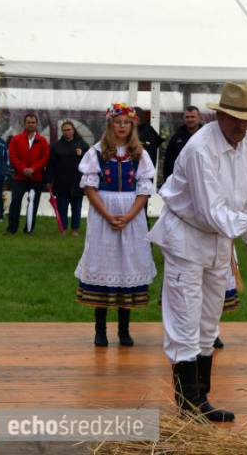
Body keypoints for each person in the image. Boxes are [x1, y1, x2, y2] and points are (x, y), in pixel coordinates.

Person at [147, 81, 247, 423]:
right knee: (185, 318)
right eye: (235, 118)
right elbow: (213, 211)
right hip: (187, 238)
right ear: (220, 114)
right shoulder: (199, 150)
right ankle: (186, 405)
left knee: (210, 319)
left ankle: (201, 399)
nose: (242, 125)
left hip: (219, 241)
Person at [74, 104, 157, 347]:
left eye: (126, 123)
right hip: (103, 215)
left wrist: (130, 215)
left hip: (132, 216)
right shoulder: (97, 152)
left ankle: (124, 330)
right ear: (110, 124)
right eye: (117, 122)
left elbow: (144, 189)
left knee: (126, 268)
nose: (122, 126)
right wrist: (108, 215)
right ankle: (100, 330)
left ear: (133, 126)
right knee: (104, 263)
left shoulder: (139, 154)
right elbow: (89, 187)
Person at [5, 113, 50, 235]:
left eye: (33, 122)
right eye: (28, 122)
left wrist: (33, 169)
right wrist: (23, 169)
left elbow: (45, 157)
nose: (31, 124)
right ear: (24, 124)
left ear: (36, 124)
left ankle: (29, 228)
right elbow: (12, 156)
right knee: (15, 203)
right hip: (19, 178)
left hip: (36, 178)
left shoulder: (42, 140)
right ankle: (12, 228)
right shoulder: (16, 139)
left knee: (33, 204)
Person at [46, 121, 90, 235]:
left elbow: (91, 161)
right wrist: (48, 180)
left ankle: (75, 229)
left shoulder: (82, 144)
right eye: (65, 130)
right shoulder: (57, 146)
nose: (67, 132)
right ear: (62, 131)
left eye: (69, 129)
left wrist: (83, 153)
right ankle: (63, 229)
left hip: (77, 182)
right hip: (61, 182)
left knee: (76, 208)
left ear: (73, 130)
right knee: (62, 208)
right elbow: (51, 164)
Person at [163, 106, 202, 182]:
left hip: (200, 180)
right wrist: (168, 181)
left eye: (193, 117)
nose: (190, 120)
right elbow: (168, 162)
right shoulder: (176, 138)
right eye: (187, 117)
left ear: (199, 118)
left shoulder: (205, 137)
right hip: (180, 182)